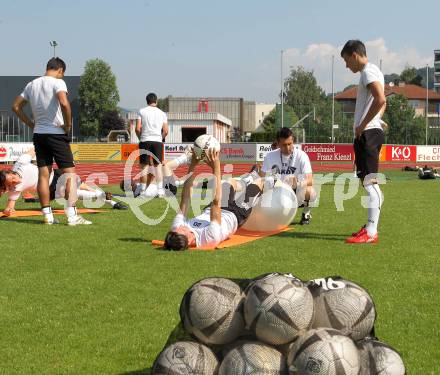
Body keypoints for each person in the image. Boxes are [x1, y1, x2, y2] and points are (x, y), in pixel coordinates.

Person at [12, 57, 91, 225]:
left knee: (43, 175)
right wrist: (68, 124)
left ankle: (47, 216)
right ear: (60, 70)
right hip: (56, 133)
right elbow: (64, 103)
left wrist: (31, 124)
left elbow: (16, 106)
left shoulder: (31, 85)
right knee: (70, 174)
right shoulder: (58, 83)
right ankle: (72, 216)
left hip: (39, 134)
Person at [163, 149, 263, 250]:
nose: (179, 228)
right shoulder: (209, 238)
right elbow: (216, 202)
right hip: (234, 214)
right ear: (189, 240)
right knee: (258, 183)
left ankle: (248, 179)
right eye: (182, 231)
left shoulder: (176, 229)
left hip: (210, 210)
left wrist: (193, 163)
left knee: (230, 182)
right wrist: (216, 165)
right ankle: (272, 179)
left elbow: (185, 198)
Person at [341, 40, 386, 244]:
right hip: (369, 131)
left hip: (367, 133)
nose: (346, 65)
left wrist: (364, 125)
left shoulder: (368, 71)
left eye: (346, 60)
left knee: (370, 183)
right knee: (369, 182)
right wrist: (377, 120)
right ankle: (370, 226)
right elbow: (380, 101)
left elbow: (381, 99)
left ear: (354, 55)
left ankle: (371, 232)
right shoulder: (372, 71)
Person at [0, 149, 127, 216]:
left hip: (56, 176)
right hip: (48, 191)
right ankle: (103, 196)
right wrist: (7, 210)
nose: (14, 183)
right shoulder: (14, 189)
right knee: (76, 192)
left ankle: (112, 202)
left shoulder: (21, 163)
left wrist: (44, 147)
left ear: (10, 172)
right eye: (9, 185)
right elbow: (10, 206)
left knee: (83, 187)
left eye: (12, 180)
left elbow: (33, 150)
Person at [261, 127, 316, 225]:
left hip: (296, 192)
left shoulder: (301, 155)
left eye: (289, 144)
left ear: (293, 141)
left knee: (310, 191)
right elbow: (262, 179)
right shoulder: (270, 156)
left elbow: (310, 180)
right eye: (284, 145)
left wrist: (297, 184)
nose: (287, 148)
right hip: (277, 193)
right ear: (278, 143)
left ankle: (306, 213)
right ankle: (272, 213)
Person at [136, 93, 169, 197]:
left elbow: (137, 128)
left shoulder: (141, 111)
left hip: (145, 140)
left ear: (147, 101)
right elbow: (166, 130)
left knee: (144, 167)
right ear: (156, 101)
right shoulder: (162, 113)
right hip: (157, 141)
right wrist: (161, 138)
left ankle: (142, 192)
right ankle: (160, 191)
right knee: (158, 166)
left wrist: (140, 138)